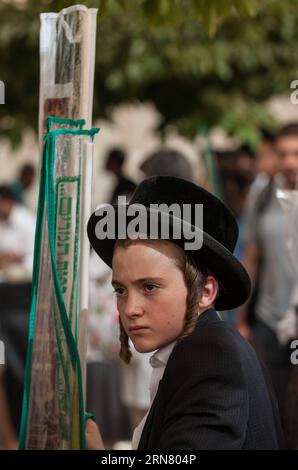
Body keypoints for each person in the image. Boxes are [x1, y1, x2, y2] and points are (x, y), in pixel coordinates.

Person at [85, 176, 283, 450]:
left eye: (150, 287)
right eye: (120, 290)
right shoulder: (198, 348)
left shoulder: (212, 355)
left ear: (205, 291)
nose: (130, 309)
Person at [237, 124, 298, 431]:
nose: (289, 162)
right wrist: (242, 319)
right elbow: (251, 258)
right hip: (268, 324)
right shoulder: (263, 196)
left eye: (296, 154)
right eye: (283, 153)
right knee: (271, 412)